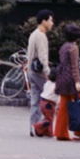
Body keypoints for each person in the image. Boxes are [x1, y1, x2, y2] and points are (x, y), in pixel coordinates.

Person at [52, 23, 80, 142]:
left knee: (64, 105)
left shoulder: (63, 47)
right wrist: (77, 82)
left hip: (62, 77)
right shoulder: (74, 47)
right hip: (71, 79)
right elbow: (75, 66)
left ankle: (61, 132)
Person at [26, 9, 55, 137]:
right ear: (44, 21)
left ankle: (33, 126)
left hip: (31, 71)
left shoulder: (33, 34)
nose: (52, 23)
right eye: (50, 20)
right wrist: (48, 74)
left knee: (35, 100)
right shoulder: (41, 36)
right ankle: (44, 127)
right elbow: (43, 57)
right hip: (39, 73)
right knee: (49, 100)